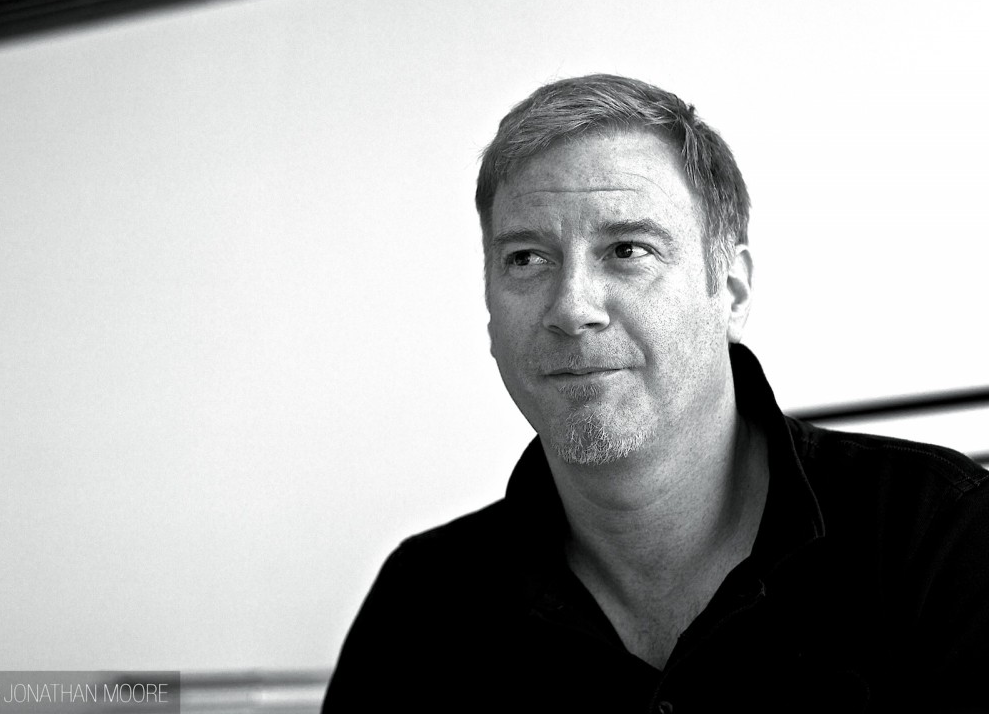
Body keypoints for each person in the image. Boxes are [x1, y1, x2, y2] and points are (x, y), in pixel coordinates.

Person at [321, 74, 989, 713]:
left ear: (730, 289)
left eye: (628, 249)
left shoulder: (941, 541)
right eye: (525, 258)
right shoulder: (421, 609)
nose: (571, 307)